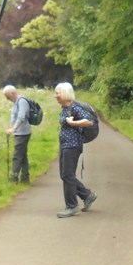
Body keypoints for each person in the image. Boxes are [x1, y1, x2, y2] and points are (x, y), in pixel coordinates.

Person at [54, 82, 97, 218]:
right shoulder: (65, 108)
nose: (55, 96)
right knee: (65, 175)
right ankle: (87, 195)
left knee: (68, 175)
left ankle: (72, 206)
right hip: (65, 145)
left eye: (57, 93)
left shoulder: (75, 107)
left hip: (72, 146)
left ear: (65, 93)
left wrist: (74, 123)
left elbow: (90, 121)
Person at [3, 85, 31, 184]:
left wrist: (13, 129)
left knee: (17, 155)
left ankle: (13, 178)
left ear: (12, 93)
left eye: (7, 96)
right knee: (22, 155)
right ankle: (25, 178)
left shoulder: (21, 101)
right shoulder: (16, 102)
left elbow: (21, 117)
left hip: (23, 132)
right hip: (19, 132)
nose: (7, 99)